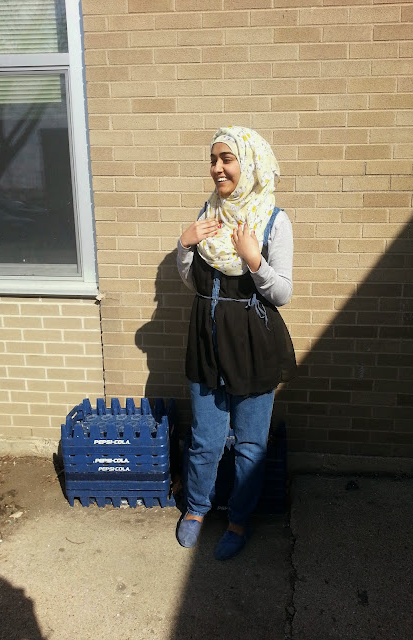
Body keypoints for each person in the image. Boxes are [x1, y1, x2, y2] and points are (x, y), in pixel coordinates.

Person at [176, 125, 296, 560]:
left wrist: (253, 259)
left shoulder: (274, 221)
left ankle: (239, 520)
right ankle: (196, 510)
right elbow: (191, 281)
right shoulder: (209, 214)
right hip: (207, 342)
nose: (217, 168)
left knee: (249, 445)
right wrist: (184, 245)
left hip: (252, 346)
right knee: (205, 440)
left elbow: (282, 293)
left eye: (227, 159)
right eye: (213, 160)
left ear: (250, 163)